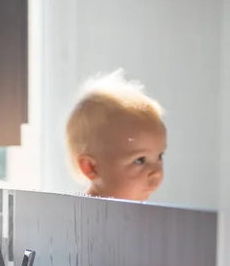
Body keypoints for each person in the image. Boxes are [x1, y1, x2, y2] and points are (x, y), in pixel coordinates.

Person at [65, 69, 167, 202]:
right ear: (91, 167)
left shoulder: (134, 212)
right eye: (140, 160)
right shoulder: (81, 218)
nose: (157, 172)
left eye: (160, 156)